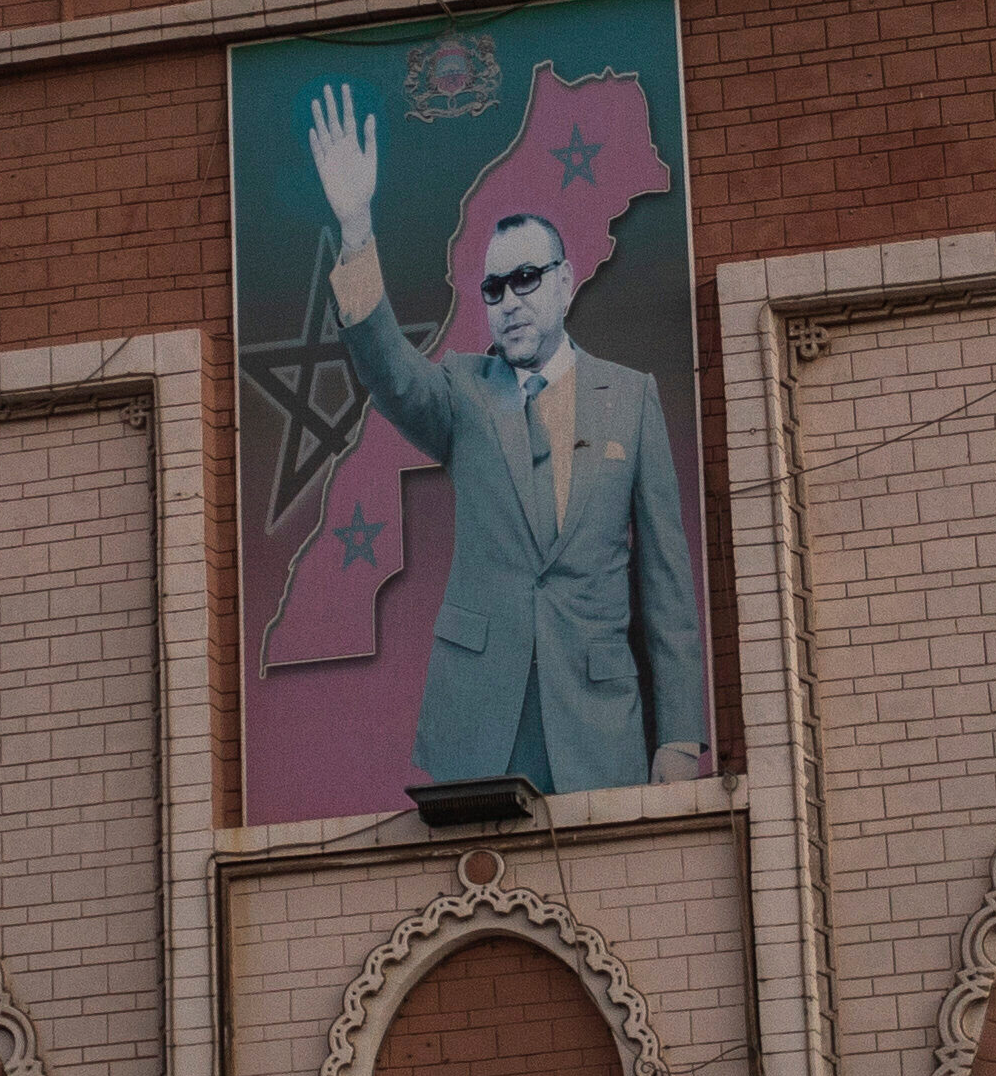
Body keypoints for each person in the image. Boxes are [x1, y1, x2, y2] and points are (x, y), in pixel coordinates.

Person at [303, 78, 709, 797]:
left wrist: (677, 736)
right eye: (493, 289)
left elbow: (668, 585)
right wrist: (358, 228)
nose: (509, 302)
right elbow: (393, 373)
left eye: (526, 279)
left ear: (565, 280)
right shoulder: (464, 391)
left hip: (599, 726)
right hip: (482, 726)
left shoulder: (631, 399)